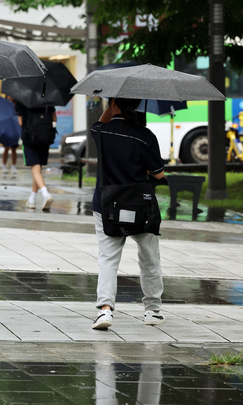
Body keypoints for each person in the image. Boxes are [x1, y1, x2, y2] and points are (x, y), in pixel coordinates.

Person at [90, 97, 165, 330]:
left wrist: (110, 104)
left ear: (114, 104)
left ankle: (105, 311)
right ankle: (152, 310)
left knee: (108, 258)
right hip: (140, 207)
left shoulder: (101, 131)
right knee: (149, 257)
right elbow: (158, 175)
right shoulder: (146, 136)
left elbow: (99, 122)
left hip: (106, 204)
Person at [15, 103, 55, 211]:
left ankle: (45, 194)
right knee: (38, 170)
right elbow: (54, 118)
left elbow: (20, 122)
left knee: (35, 169)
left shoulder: (22, 100)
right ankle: (32, 199)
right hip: (45, 138)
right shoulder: (47, 98)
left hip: (29, 138)